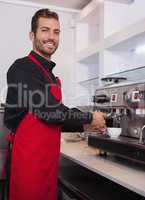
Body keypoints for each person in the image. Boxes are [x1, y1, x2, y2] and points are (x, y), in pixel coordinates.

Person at [4, 8, 106, 200]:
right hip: (28, 164)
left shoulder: (50, 75)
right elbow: (49, 112)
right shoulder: (23, 68)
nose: (51, 36)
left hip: (48, 162)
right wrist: (90, 117)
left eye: (56, 31)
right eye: (45, 30)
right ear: (32, 35)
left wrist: (87, 125)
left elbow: (56, 118)